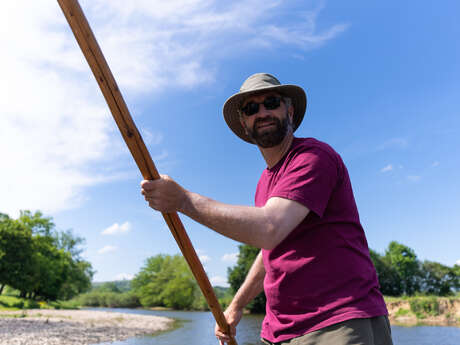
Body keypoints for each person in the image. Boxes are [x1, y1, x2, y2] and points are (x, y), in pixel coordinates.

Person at [141, 73, 393, 345]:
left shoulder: (313, 157)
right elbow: (269, 252)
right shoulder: (266, 181)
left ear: (290, 111)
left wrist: (183, 200)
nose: (262, 112)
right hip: (279, 331)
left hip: (336, 323)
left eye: (271, 102)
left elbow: (269, 228)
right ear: (244, 122)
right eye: (251, 108)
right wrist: (236, 306)